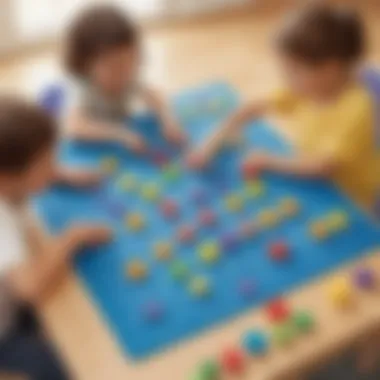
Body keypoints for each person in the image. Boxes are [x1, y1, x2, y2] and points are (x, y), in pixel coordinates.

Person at [188, 4, 379, 212]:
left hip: (350, 195)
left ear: (330, 69)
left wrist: (268, 160)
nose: (286, 78)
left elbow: (323, 167)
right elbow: (252, 108)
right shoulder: (307, 88)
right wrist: (212, 141)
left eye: (293, 70)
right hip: (313, 171)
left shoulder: (355, 109)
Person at [0, 97, 111, 379]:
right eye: (46, 162)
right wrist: (71, 238)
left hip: (10, 290)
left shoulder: (11, 183)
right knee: (66, 366)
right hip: (4, 331)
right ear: (8, 177)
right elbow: (28, 287)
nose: (55, 165)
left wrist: (61, 175)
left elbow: (24, 179)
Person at [64, 5, 186, 153]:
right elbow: (74, 126)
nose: (125, 73)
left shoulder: (127, 75)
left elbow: (154, 95)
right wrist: (120, 134)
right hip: (91, 141)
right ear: (87, 65)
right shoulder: (83, 88)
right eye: (114, 66)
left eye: (131, 61)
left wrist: (168, 120)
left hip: (117, 132)